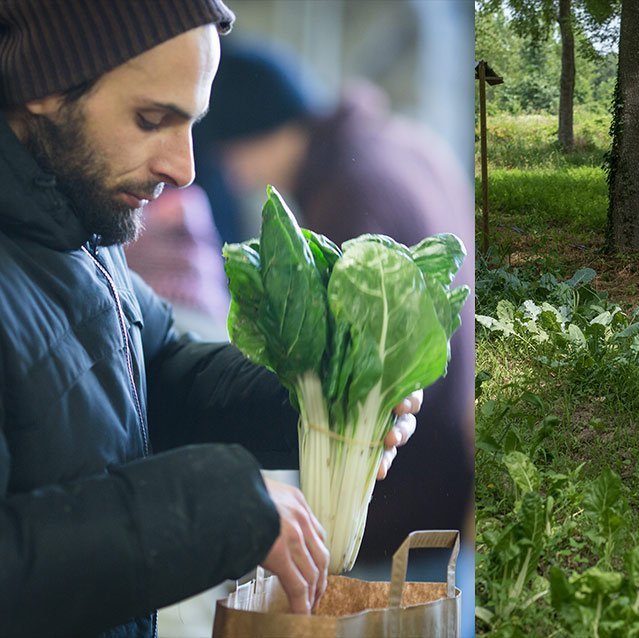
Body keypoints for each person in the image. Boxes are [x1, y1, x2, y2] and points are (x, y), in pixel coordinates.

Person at [0, 2, 425, 635]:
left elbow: (157, 365)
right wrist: (219, 509)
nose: (185, 168)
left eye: (192, 123)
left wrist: (314, 396)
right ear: (42, 88)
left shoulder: (74, 223)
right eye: (151, 119)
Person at [195, 41, 477, 562]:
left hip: (399, 512)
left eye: (224, 152)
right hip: (445, 482)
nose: (228, 173)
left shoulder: (349, 193)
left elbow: (351, 368)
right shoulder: (397, 142)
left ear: (256, 128)